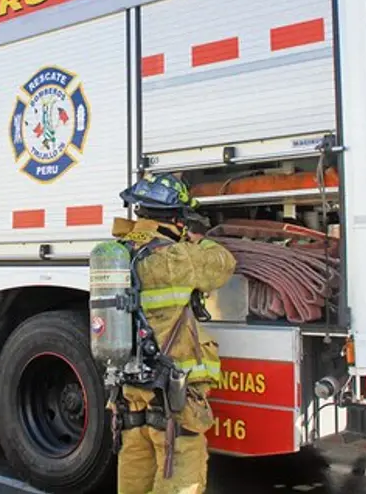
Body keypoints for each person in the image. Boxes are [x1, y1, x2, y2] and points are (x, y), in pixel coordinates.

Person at [109, 173, 237, 494]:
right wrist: (198, 240)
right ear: (177, 219)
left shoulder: (118, 253)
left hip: (130, 388)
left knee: (134, 463)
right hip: (171, 393)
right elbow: (224, 263)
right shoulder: (175, 257)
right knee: (180, 469)